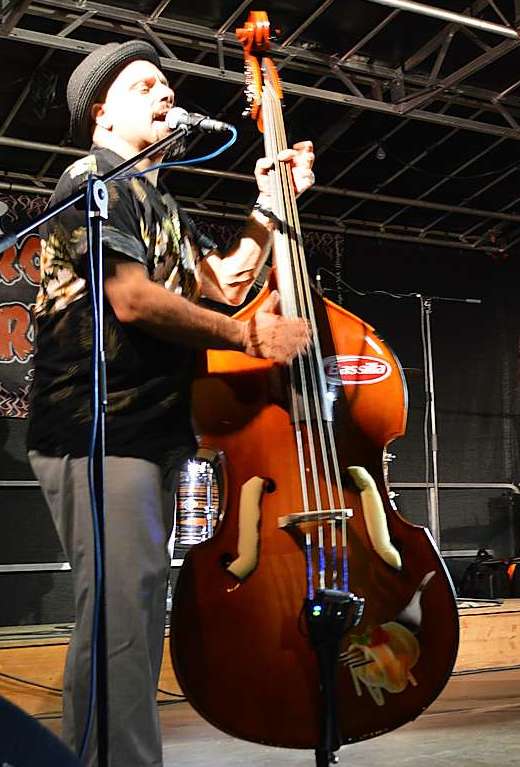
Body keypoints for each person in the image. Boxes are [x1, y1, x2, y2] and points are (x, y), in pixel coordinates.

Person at [27, 40, 314, 766]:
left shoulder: (160, 203)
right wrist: (247, 333)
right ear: (102, 114)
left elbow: (223, 278)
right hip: (97, 423)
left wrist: (270, 202)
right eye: (143, 84)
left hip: (147, 431)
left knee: (128, 614)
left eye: (165, 83)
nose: (164, 92)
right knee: (121, 616)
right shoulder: (91, 178)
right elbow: (130, 297)